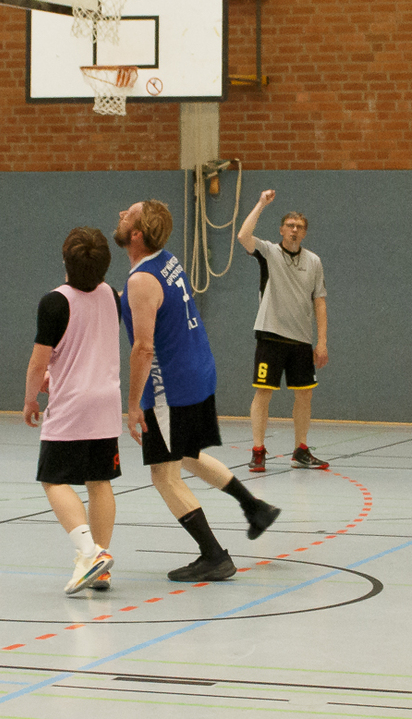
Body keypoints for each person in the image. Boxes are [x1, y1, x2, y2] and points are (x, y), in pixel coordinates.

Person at [115, 200, 280, 583]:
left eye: (129, 214)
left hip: (171, 387)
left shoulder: (140, 280)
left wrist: (133, 404)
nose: (122, 212)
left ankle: (214, 555)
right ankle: (254, 506)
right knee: (187, 455)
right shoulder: (167, 260)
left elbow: (143, 348)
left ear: (136, 234)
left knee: (164, 476)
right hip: (198, 372)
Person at [24, 227, 121, 595]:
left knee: (53, 478)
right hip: (107, 403)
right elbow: (90, 344)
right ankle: (101, 562)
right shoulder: (113, 295)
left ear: (65, 260)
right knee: (99, 481)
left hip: (71, 406)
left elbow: (38, 364)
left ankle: (89, 552)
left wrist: (31, 398)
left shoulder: (54, 302)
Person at [237, 190, 329, 472]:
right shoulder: (268, 251)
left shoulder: (313, 261)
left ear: (304, 233)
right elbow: (243, 236)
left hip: (301, 339)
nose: (294, 230)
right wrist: (261, 203)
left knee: (304, 395)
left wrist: (322, 342)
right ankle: (258, 450)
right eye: (290, 225)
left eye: (299, 227)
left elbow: (320, 301)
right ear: (281, 230)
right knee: (263, 392)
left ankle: (301, 450)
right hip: (270, 335)